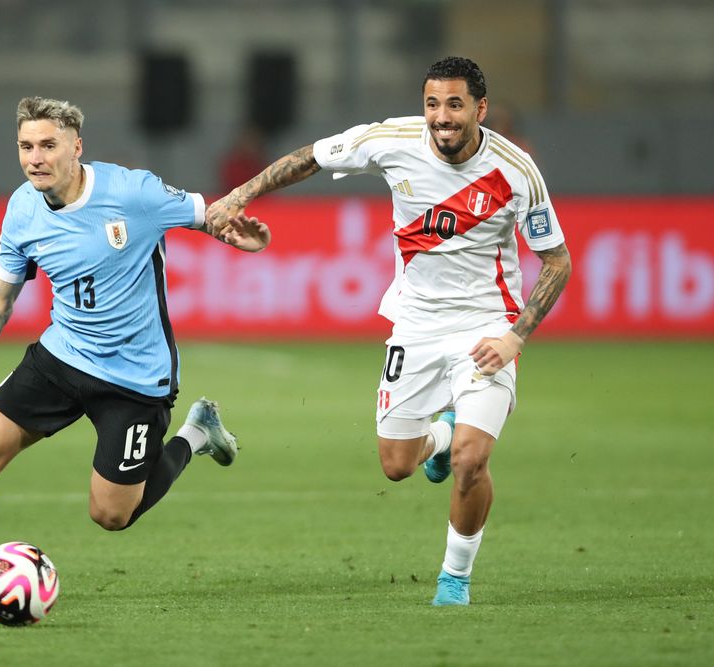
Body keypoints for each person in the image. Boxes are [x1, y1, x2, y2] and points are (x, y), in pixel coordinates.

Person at [0, 97, 270, 606]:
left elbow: (208, 213)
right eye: (25, 146)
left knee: (111, 515)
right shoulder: (22, 208)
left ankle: (195, 433)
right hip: (62, 357)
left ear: (76, 147)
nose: (34, 157)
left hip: (135, 376)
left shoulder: (133, 192)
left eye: (47, 145)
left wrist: (235, 234)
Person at [207, 56, 572, 606]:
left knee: (474, 462)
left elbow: (558, 261)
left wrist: (514, 336)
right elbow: (309, 158)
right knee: (397, 465)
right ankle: (441, 438)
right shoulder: (390, 139)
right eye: (432, 104)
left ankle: (454, 578)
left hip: (486, 328)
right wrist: (242, 194)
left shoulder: (516, 170)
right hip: (416, 325)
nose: (442, 117)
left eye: (454, 105)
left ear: (480, 108)